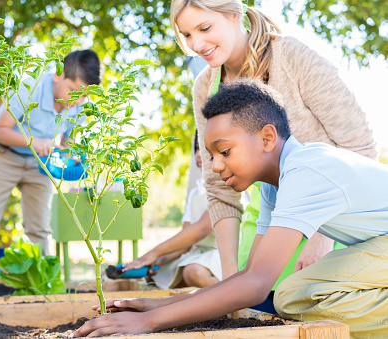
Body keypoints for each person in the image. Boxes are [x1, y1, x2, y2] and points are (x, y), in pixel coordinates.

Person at [71, 79, 388, 338]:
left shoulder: (305, 171)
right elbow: (248, 275)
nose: (216, 166)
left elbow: (256, 286)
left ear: (266, 138)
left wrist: (149, 323)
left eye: (224, 151)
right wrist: (160, 307)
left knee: (291, 295)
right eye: (211, 156)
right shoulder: (274, 183)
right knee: (289, 295)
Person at [171, 0, 376, 289]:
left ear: (233, 15)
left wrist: (321, 238)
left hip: (332, 220)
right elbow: (218, 189)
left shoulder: (291, 57)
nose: (197, 44)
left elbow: (360, 146)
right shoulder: (204, 88)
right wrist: (228, 277)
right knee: (258, 309)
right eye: (187, 35)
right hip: (266, 217)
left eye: (204, 28)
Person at [0, 49, 101, 284]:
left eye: (83, 95)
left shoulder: (80, 106)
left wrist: (75, 156)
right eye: (72, 91)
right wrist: (33, 141)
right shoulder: (31, 87)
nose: (76, 100)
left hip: (40, 162)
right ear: (59, 75)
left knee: (39, 228)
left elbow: (67, 143)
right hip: (3, 154)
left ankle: (39, 284)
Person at [123, 132, 221, 289]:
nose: (198, 154)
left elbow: (201, 230)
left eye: (204, 149)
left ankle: (235, 297)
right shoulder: (196, 192)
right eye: (196, 148)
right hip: (201, 256)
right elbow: (185, 242)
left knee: (192, 273)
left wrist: (154, 252)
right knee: (158, 278)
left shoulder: (225, 185)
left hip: (223, 256)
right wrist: (157, 261)